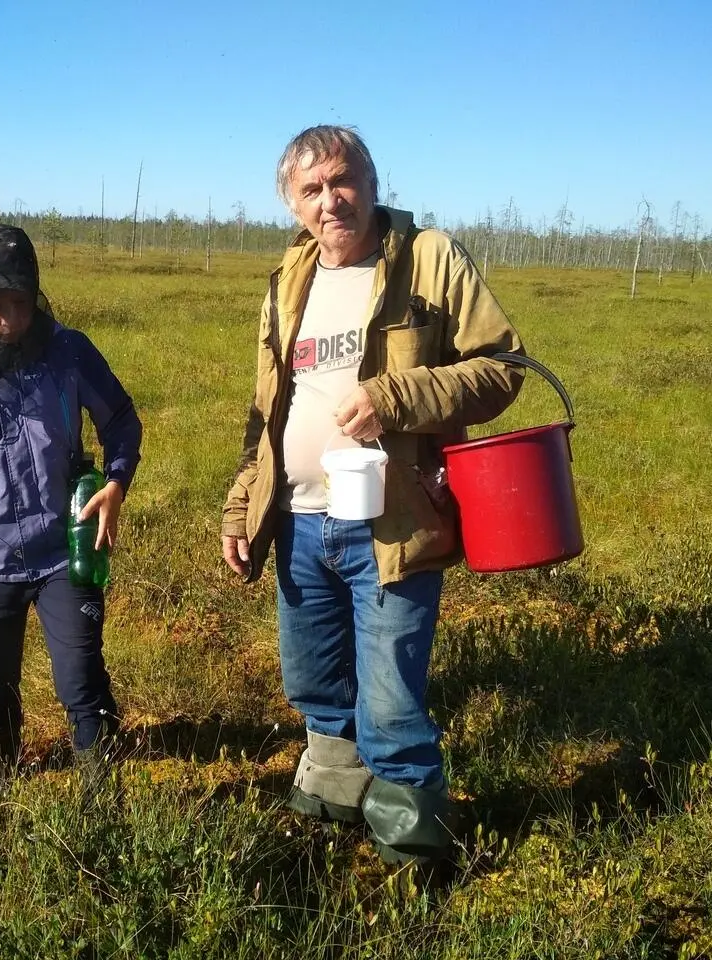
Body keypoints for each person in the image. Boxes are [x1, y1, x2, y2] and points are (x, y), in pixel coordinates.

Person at [221, 125, 525, 866]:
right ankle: (333, 789)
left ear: (372, 180)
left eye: (343, 180)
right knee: (315, 680)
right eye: (312, 190)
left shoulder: (428, 259)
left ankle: (412, 836)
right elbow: (268, 411)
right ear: (293, 206)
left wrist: (396, 398)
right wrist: (242, 503)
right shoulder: (287, 280)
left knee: (389, 698)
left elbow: (504, 367)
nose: (332, 201)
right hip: (297, 519)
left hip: (393, 521)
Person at [0, 222, 142, 789]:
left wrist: (115, 483)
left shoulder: (67, 352)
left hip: (65, 548)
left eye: (21, 301)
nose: (12, 319)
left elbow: (120, 419)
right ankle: (0, 772)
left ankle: (101, 794)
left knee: (81, 678)